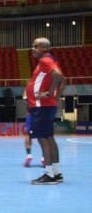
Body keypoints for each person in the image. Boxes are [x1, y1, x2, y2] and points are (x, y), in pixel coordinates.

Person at [25, 37, 65, 185]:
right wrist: (55, 97)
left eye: (36, 46)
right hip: (46, 105)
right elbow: (63, 79)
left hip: (41, 105)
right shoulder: (50, 60)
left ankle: (48, 175)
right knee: (49, 138)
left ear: (44, 48)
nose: (33, 49)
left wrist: (49, 94)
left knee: (43, 140)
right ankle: (57, 172)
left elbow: (58, 76)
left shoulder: (45, 61)